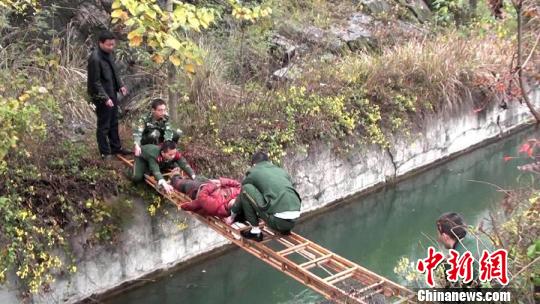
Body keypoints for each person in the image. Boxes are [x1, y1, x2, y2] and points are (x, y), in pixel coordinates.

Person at [225, 152, 302, 242]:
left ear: (254, 164)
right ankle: (285, 229)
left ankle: (255, 231)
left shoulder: (253, 172)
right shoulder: (280, 171)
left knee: (246, 189)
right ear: (267, 161)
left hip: (277, 221)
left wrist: (232, 216)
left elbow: (244, 191)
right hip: (294, 219)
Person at [87, 30, 131, 160]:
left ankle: (116, 148)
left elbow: (114, 72)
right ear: (100, 43)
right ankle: (105, 152)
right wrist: (105, 98)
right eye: (108, 45)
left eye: (113, 45)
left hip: (112, 92)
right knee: (104, 124)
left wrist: (120, 86)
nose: (111, 47)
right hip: (101, 96)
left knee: (114, 122)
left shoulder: (108, 54)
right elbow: (94, 82)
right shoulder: (95, 58)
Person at [436, 212, 483, 287]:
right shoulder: (482, 240)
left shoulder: (451, 264)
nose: (438, 239)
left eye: (438, 234)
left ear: (445, 236)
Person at [131, 141, 196, 194]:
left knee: (172, 163)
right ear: (162, 153)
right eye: (170, 155)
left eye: (174, 153)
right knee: (137, 177)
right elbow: (155, 171)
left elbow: (184, 164)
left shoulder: (173, 153)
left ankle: (157, 166)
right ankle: (135, 170)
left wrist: (193, 176)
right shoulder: (153, 155)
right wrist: (164, 184)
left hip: (160, 160)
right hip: (141, 157)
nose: (173, 156)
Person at [172, 177, 241, 217]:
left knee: (183, 184)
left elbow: (201, 197)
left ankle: (174, 178)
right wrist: (221, 182)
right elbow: (238, 184)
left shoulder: (216, 206)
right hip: (207, 186)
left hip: (197, 190)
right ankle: (181, 176)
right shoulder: (238, 194)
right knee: (198, 177)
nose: (236, 199)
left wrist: (214, 185)